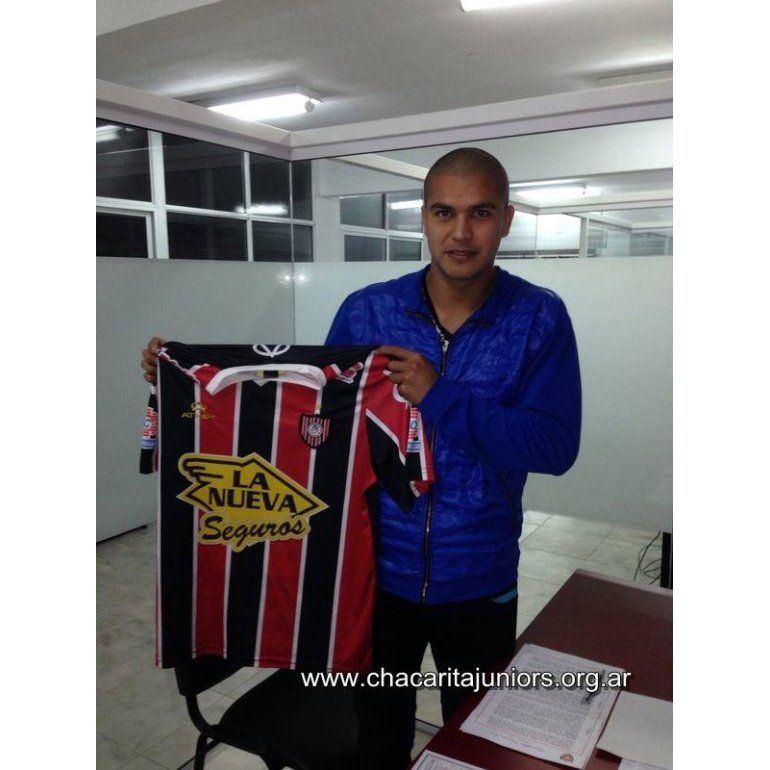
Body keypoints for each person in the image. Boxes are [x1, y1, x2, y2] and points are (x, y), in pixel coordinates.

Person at [141, 147, 581, 770]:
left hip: (480, 579)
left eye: (480, 213)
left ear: (506, 219)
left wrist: (439, 396)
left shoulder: (538, 317)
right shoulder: (368, 310)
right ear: (423, 217)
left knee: (475, 740)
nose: (461, 232)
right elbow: (309, 419)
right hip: (374, 580)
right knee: (378, 737)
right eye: (444, 212)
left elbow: (555, 446)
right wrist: (188, 380)